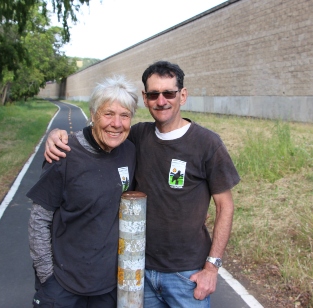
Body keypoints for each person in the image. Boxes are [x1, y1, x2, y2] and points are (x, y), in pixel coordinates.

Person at [44, 61, 240, 307]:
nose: (162, 101)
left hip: (186, 275)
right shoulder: (137, 136)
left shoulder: (208, 144)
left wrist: (212, 268)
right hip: (138, 270)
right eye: (153, 94)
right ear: (145, 99)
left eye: (169, 93)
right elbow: (103, 132)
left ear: (183, 95)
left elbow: (226, 207)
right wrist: (59, 136)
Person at [27, 75, 138, 308]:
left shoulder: (130, 151)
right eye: (108, 114)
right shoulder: (64, 153)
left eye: (124, 115)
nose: (116, 123)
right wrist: (48, 277)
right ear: (93, 114)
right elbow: (39, 219)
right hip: (63, 285)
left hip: (107, 287)